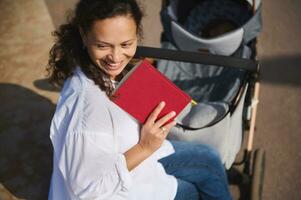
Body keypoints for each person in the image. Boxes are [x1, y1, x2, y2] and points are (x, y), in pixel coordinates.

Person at [47, 0, 232, 199]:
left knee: (208, 158)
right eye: (103, 46)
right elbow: (87, 190)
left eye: (126, 44)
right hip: (122, 188)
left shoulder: (90, 67)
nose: (116, 57)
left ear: (137, 34)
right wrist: (145, 146)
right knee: (193, 192)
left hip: (135, 160)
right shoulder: (88, 114)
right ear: (84, 35)